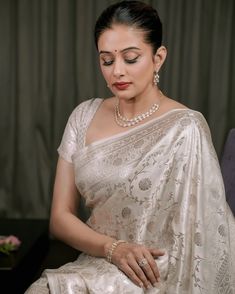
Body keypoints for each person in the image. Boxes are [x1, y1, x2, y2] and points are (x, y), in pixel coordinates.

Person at [26, 1, 235, 293]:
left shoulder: (186, 127)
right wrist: (113, 249)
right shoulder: (83, 116)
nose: (117, 72)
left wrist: (135, 259)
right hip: (98, 260)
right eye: (107, 61)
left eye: (131, 58)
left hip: (157, 271)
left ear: (158, 57)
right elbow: (60, 219)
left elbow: (200, 237)